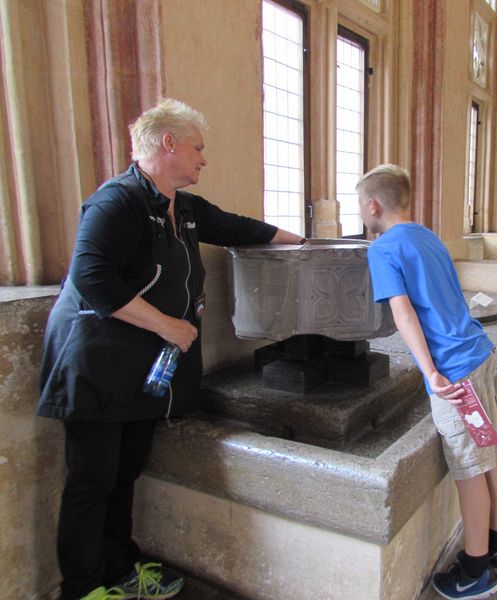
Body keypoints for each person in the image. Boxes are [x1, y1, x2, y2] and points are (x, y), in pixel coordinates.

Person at [38, 99, 305, 600]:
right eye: (198, 148)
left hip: (141, 369)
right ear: (169, 144)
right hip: (96, 362)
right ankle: (80, 587)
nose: (204, 159)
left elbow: (239, 227)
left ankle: (119, 570)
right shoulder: (116, 202)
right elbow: (92, 279)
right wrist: (168, 325)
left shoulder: (183, 208)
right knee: (92, 481)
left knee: (125, 473)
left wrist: (307, 246)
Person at [358, 164, 497, 600]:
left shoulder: (383, 247)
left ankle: (475, 570)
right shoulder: (428, 236)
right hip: (477, 353)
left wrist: (430, 372)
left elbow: (403, 312)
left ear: (373, 205)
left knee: (469, 468)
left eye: (360, 205)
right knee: (490, 453)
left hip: (452, 373)